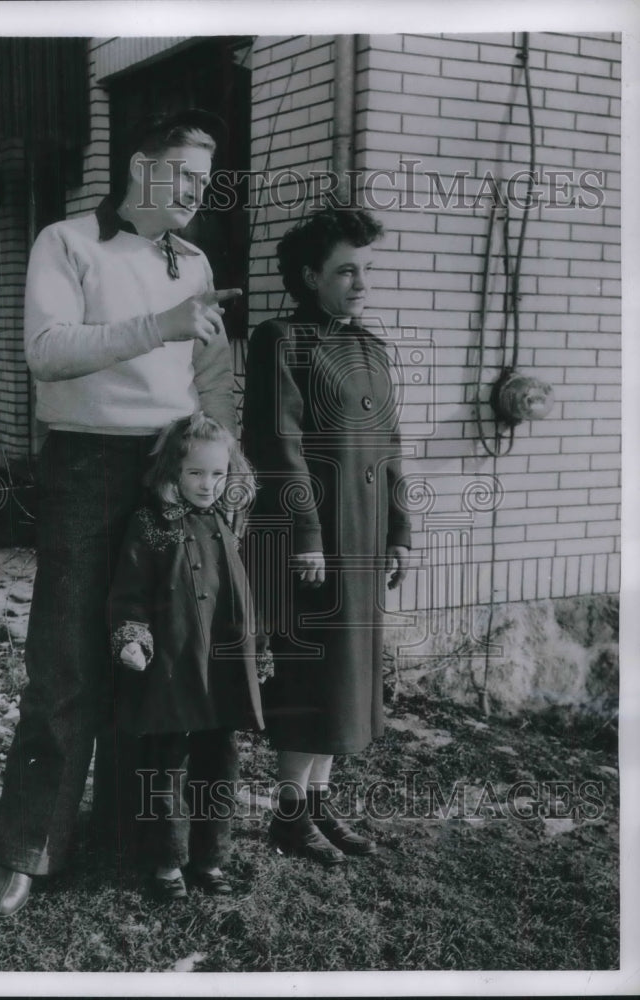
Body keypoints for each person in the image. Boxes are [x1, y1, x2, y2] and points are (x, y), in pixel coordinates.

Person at [0, 109, 241, 918]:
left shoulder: (194, 260)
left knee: (155, 661)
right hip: (88, 464)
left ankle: (139, 839)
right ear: (139, 166)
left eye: (207, 180)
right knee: (67, 660)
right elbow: (47, 350)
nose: (200, 192)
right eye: (186, 175)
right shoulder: (67, 241)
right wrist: (157, 325)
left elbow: (213, 374)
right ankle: (32, 846)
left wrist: (227, 453)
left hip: (169, 464)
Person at [242, 207, 411, 865]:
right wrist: (306, 536)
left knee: (346, 682)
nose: (360, 283)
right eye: (346, 270)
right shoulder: (280, 340)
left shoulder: (371, 348)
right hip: (313, 540)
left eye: (366, 270)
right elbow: (277, 446)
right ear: (311, 276)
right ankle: (289, 815)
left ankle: (317, 808)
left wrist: (399, 531)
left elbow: (391, 448)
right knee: (312, 682)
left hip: (365, 542)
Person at [107, 412, 267, 899]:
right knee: (168, 764)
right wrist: (131, 637)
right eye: (196, 473)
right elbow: (130, 593)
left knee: (220, 760)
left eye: (218, 474)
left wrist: (256, 649)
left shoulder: (224, 520)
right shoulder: (152, 524)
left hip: (220, 665)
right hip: (175, 665)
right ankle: (166, 863)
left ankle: (210, 860)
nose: (208, 484)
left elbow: (237, 592)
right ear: (173, 472)